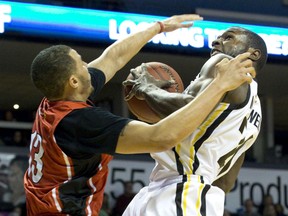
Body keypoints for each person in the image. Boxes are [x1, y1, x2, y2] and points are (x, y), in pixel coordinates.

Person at [23, 13, 256, 215]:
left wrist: (159, 27)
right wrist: (219, 85)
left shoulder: (55, 101)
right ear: (73, 81)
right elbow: (161, 137)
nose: (88, 64)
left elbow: (113, 57)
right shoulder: (80, 122)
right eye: (82, 64)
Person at [122, 27, 267, 216]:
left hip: (181, 191)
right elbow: (225, 182)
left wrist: (147, 89)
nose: (216, 42)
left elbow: (187, 108)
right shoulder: (255, 111)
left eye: (228, 38)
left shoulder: (224, 64)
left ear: (253, 54)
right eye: (217, 37)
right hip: (191, 193)